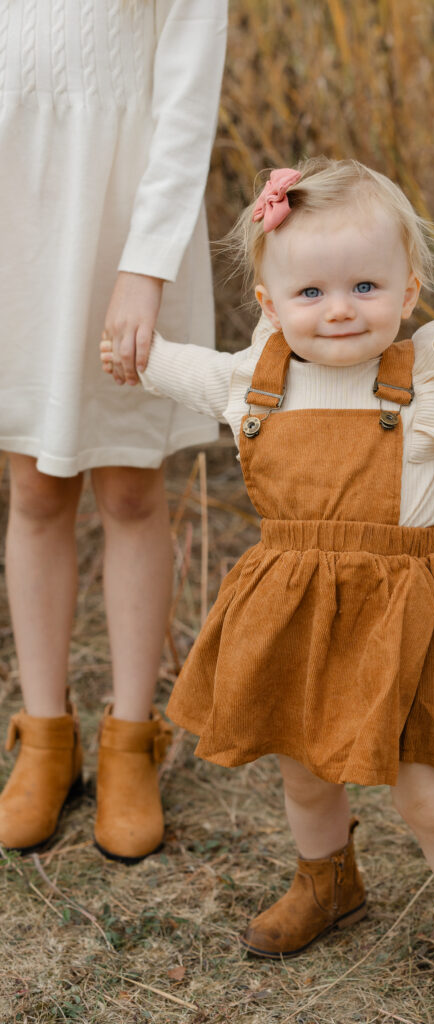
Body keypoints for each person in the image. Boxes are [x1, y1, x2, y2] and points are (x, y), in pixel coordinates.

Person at [102, 157, 434, 1014]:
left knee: (427, 792)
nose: (338, 309)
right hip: (288, 610)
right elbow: (149, 360)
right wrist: (123, 344)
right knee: (303, 770)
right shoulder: (246, 378)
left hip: (396, 616)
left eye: (365, 285)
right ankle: (327, 881)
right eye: (311, 293)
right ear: (267, 305)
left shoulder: (432, 372)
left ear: (409, 291)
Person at [0, 0, 228, 864]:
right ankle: (44, 736)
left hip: (122, 221)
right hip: (17, 218)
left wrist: (145, 269)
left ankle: (132, 738)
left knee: (131, 485)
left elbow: (186, 104)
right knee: (34, 482)